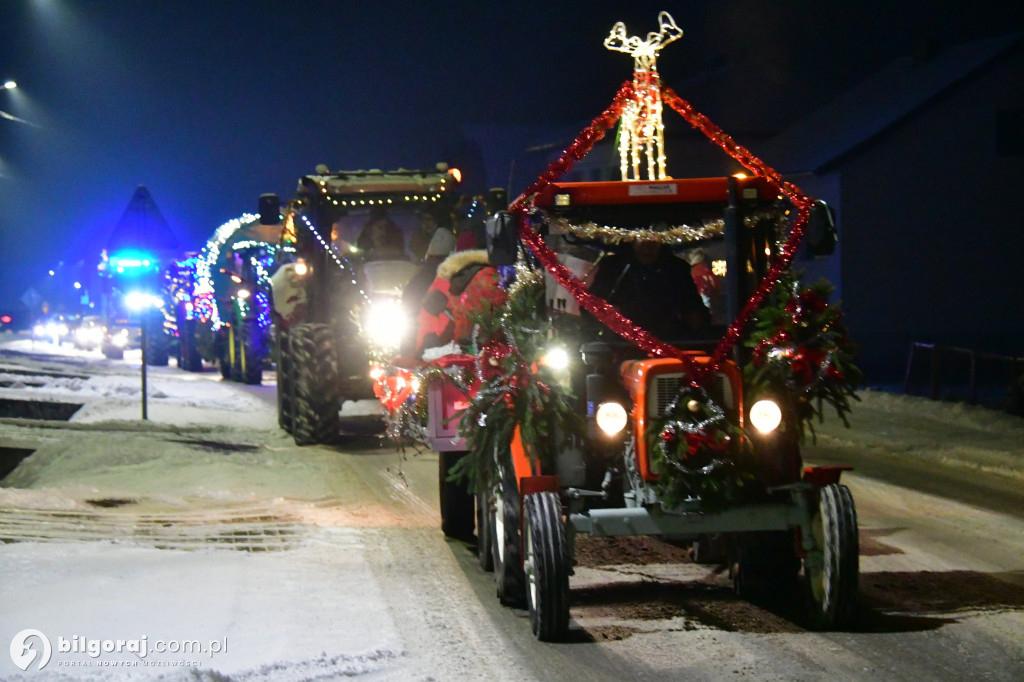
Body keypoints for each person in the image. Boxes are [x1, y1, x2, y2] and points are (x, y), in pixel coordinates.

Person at [588, 238, 710, 340]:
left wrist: (697, 316)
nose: (648, 249)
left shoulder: (677, 268)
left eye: (654, 243)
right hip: (621, 339)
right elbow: (591, 304)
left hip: (668, 338)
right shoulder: (613, 266)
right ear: (633, 241)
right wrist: (607, 313)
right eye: (644, 242)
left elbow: (692, 303)